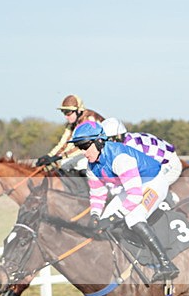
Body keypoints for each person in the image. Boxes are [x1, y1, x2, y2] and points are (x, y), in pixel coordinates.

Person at [69, 121, 179, 282]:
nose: (84, 152)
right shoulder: (91, 167)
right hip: (131, 186)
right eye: (80, 147)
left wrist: (112, 219)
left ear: (100, 141)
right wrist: (95, 215)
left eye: (85, 146)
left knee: (133, 217)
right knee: (104, 221)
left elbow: (134, 197)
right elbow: (98, 194)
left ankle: (166, 263)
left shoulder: (120, 159)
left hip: (153, 182)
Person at [101, 118, 183, 185]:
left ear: (119, 136)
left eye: (110, 140)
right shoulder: (125, 140)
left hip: (169, 164)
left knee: (148, 187)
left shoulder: (132, 146)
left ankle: (171, 202)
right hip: (157, 163)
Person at [36, 94, 104, 171]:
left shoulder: (89, 120)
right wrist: (49, 156)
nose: (66, 116)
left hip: (103, 154)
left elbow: (83, 146)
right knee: (64, 164)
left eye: (68, 113)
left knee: (78, 164)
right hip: (89, 152)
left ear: (78, 111)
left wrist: (60, 156)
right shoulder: (71, 124)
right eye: (63, 112)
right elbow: (64, 144)